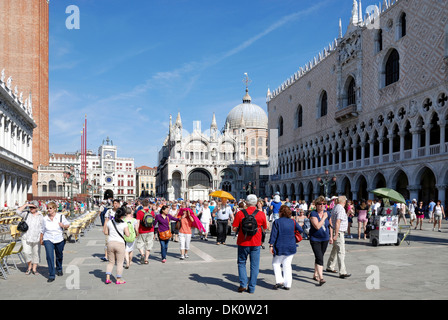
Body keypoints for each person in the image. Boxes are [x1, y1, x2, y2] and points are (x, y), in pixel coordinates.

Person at [232, 194, 267, 294]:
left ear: (246, 203)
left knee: (242, 263)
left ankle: (243, 284)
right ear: (256, 203)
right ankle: (251, 288)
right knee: (254, 266)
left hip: (243, 242)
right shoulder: (261, 214)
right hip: (256, 243)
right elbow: (265, 227)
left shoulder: (240, 213)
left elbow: (234, 228)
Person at [268, 205, 303, 290]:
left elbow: (273, 235)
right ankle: (288, 284)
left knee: (276, 263)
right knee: (287, 265)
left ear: (281, 212)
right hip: (291, 245)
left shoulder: (277, 222)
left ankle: (279, 280)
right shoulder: (293, 221)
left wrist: (271, 245)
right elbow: (301, 230)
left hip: (280, 246)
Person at [40, 202, 70, 283]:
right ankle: (51, 275)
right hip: (48, 239)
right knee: (49, 256)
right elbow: (42, 230)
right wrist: (41, 239)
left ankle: (59, 268)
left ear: (54, 209)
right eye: (48, 208)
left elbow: (68, 224)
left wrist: (63, 225)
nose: (48, 210)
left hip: (59, 238)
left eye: (50, 208)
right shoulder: (45, 218)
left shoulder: (60, 216)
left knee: (59, 255)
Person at [326, 196, 351, 279]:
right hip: (339, 232)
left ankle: (330, 266)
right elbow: (337, 222)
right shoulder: (341, 209)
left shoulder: (335, 207)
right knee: (341, 252)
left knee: (335, 250)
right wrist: (336, 234)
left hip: (336, 231)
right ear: (344, 202)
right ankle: (342, 272)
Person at [103, 207, 130, 284]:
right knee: (120, 262)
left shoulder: (110, 222)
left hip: (110, 243)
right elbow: (127, 235)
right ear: (123, 216)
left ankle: (107, 278)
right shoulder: (124, 224)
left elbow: (105, 232)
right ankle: (118, 279)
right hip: (120, 244)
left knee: (111, 262)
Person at [16, 201, 43, 275]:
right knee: (26, 252)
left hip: (36, 237)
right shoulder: (26, 214)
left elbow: (42, 228)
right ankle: (29, 266)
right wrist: (26, 205)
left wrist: (41, 238)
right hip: (26, 236)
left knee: (36, 253)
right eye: (30, 207)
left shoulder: (40, 215)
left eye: (33, 207)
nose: (31, 209)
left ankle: (34, 269)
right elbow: (17, 212)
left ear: (37, 208)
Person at [309, 195, 330, 286]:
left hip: (325, 238)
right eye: (320, 204)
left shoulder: (327, 213)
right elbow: (317, 226)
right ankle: (321, 278)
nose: (322, 205)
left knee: (319, 256)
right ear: (316, 205)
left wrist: (332, 236)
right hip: (315, 238)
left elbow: (329, 225)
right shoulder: (313, 214)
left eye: (324, 204)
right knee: (320, 257)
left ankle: (315, 274)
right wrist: (323, 218)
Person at [135, 199, 155, 265]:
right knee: (149, 245)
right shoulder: (151, 212)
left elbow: (137, 222)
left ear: (142, 204)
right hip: (150, 230)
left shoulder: (139, 212)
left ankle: (142, 254)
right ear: (148, 204)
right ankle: (146, 259)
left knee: (140, 244)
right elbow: (153, 222)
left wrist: (136, 231)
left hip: (142, 230)